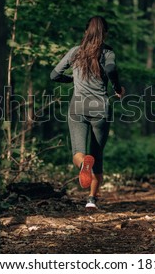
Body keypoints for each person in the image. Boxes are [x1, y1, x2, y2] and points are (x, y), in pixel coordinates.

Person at [50, 16, 125, 210]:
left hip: (78, 108)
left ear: (86, 32)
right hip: (100, 108)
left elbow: (54, 75)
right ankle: (91, 199)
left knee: (78, 152)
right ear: (105, 34)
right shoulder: (107, 52)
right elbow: (111, 69)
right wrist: (118, 88)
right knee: (97, 154)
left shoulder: (75, 52)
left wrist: (72, 80)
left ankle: (84, 164)